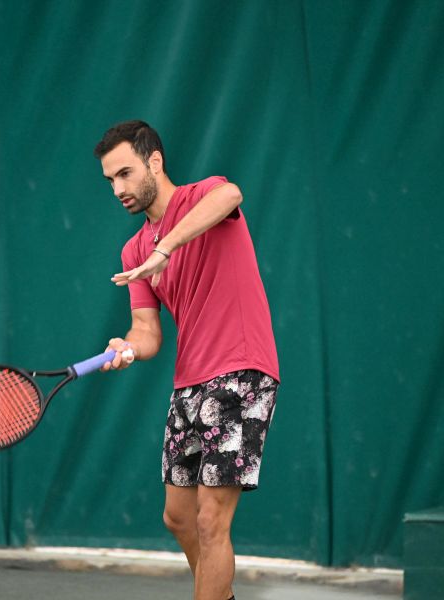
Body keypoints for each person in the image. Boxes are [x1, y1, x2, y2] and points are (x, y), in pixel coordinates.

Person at [94, 120, 279, 600]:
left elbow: (232, 195)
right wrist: (126, 347)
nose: (118, 189)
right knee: (178, 518)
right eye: (110, 180)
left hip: (241, 371)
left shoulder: (203, 195)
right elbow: (147, 332)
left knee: (211, 520)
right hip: (189, 384)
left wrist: (166, 248)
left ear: (154, 161)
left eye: (125, 174)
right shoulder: (133, 251)